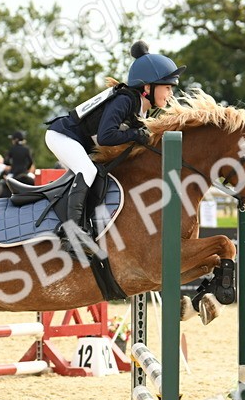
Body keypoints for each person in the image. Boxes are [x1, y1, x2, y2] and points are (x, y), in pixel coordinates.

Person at [45, 40, 183, 250]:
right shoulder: (125, 100)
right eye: (167, 87)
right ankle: (71, 233)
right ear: (147, 87)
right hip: (62, 135)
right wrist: (136, 134)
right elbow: (106, 137)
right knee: (87, 170)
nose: (170, 94)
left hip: (77, 141)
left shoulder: (141, 109)